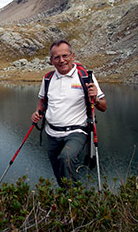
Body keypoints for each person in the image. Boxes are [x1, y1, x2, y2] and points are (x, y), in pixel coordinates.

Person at [31, 40, 107, 187]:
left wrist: (96, 99)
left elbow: (103, 107)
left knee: (66, 159)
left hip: (77, 131)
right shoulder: (48, 78)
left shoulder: (85, 77)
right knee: (59, 173)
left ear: (72, 56)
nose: (61, 60)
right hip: (52, 133)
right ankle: (67, 201)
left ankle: (77, 200)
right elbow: (42, 100)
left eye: (65, 55)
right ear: (51, 61)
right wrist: (37, 112)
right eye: (56, 57)